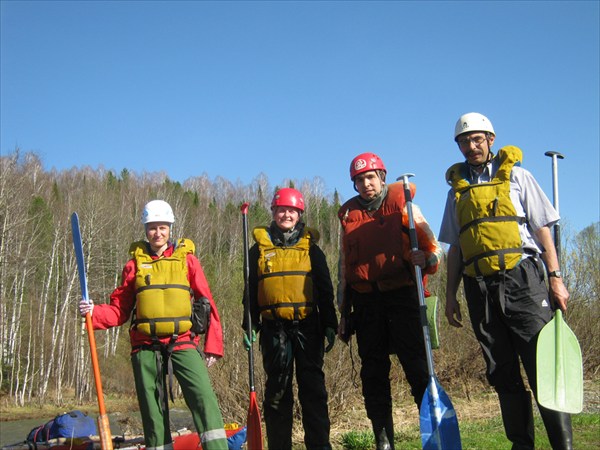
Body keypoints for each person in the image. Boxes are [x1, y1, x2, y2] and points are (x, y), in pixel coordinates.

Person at [439, 112, 573, 449]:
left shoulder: (518, 176)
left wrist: (556, 278)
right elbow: (455, 247)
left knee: (543, 365)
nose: (471, 146)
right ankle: (521, 444)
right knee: (502, 372)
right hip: (479, 287)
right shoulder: (457, 192)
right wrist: (451, 294)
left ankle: (563, 445)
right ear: (458, 146)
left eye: (477, 139)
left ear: (490, 140)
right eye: (465, 141)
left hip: (522, 280)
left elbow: (543, 230)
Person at [78, 200, 228, 450]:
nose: (157, 233)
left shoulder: (187, 261)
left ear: (170, 228)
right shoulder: (134, 265)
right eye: (152, 228)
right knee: (153, 412)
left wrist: (214, 345)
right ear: (145, 229)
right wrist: (93, 313)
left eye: (162, 227)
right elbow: (119, 310)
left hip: (183, 342)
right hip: (145, 347)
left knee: (204, 399)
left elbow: (207, 301)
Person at [337, 153, 442, 450]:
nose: (365, 184)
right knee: (373, 375)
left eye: (370, 177)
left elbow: (435, 250)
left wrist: (428, 257)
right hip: (367, 303)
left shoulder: (405, 205)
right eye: (359, 180)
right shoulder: (348, 217)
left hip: (402, 297)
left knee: (417, 369)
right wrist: (343, 312)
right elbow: (344, 269)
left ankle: (433, 434)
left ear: (382, 177)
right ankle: (384, 441)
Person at [242, 187, 338, 450]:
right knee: (277, 394)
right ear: (273, 212)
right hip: (274, 330)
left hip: (308, 328)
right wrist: (249, 324)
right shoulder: (258, 251)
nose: (286, 214)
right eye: (281, 209)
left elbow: (325, 289)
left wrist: (330, 323)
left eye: (291, 211)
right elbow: (250, 292)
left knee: (313, 393)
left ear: (299, 214)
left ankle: (319, 446)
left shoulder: (312, 250)